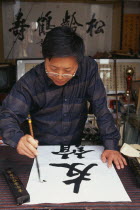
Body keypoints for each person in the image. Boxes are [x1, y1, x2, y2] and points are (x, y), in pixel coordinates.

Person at [0, 26, 127, 169]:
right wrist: (18, 140)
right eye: (53, 69)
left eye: (67, 70)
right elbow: (7, 116)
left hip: (74, 151)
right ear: (45, 59)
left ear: (78, 62)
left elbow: (101, 109)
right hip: (40, 153)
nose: (60, 76)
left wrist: (111, 145)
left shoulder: (88, 69)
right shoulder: (30, 82)